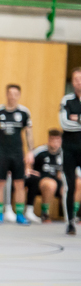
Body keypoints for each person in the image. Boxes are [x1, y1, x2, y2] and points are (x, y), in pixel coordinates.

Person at [0, 84, 34, 225]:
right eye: (10, 93)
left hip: (17, 153)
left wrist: (30, 151)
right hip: (1, 153)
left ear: (19, 95)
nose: (12, 96)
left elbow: (29, 132)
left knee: (19, 184)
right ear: (6, 94)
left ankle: (20, 215)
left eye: (15, 94)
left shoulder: (24, 112)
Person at [25, 129, 64, 223]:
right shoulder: (40, 151)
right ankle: (45, 213)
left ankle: (73, 214)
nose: (55, 143)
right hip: (42, 181)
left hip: (59, 181)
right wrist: (28, 169)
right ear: (49, 139)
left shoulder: (64, 153)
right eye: (52, 139)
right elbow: (28, 159)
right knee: (51, 184)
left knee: (76, 184)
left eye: (57, 140)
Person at [60, 67, 81, 235]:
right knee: (70, 185)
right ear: (72, 82)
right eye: (76, 79)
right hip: (69, 150)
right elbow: (64, 123)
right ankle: (71, 222)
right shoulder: (66, 100)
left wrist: (77, 118)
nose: (79, 82)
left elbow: (72, 121)